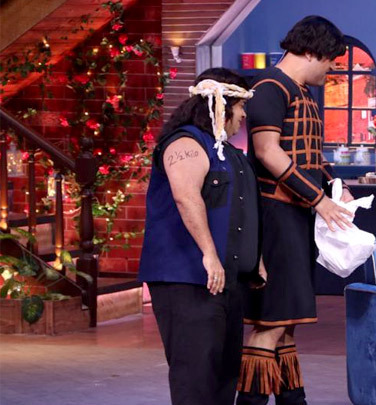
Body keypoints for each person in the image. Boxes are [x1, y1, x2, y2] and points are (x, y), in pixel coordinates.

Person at [236, 15, 353, 405]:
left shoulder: (300, 91)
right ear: (311, 51)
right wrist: (320, 200)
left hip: (295, 216)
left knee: (286, 323)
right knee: (271, 322)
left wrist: (336, 186)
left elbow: (309, 155)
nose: (332, 68)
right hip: (276, 216)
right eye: (331, 60)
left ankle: (294, 401)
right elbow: (268, 153)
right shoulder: (270, 88)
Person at [138, 68, 260, 405]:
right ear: (221, 104)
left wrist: (255, 260)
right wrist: (209, 253)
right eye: (240, 106)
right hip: (188, 278)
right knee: (196, 375)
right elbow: (186, 197)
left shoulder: (226, 152)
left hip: (224, 280)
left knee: (223, 375)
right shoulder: (185, 143)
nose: (244, 115)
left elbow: (241, 210)